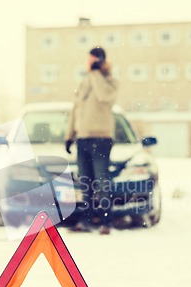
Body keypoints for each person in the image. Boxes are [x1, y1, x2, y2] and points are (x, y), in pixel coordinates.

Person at [64, 46, 118, 235]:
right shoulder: (85, 81)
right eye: (89, 60)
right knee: (85, 182)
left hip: (101, 139)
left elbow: (105, 96)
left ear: (100, 61)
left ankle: (105, 222)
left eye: (92, 60)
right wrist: (69, 136)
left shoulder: (110, 82)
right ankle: (85, 221)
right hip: (83, 138)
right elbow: (75, 109)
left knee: (102, 182)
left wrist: (96, 74)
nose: (89, 63)